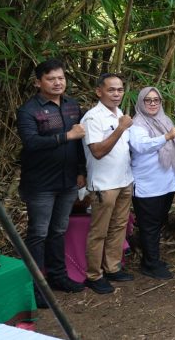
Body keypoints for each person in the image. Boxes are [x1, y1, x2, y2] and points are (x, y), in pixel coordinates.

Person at [17, 59, 87, 306]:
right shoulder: (29, 110)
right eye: (51, 79)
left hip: (68, 180)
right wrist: (67, 135)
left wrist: (81, 171)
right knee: (38, 233)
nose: (58, 83)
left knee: (58, 230)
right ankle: (37, 288)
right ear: (38, 82)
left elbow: (80, 143)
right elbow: (31, 143)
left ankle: (58, 277)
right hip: (41, 183)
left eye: (61, 78)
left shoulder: (72, 105)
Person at [81, 73, 135, 294]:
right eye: (111, 90)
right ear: (99, 91)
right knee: (99, 231)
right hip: (104, 184)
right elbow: (97, 151)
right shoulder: (93, 118)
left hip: (124, 180)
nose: (116, 94)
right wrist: (121, 128)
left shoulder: (119, 113)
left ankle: (112, 267)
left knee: (119, 226)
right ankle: (94, 275)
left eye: (120, 90)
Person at [129, 87, 175, 281]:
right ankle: (150, 264)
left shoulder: (164, 120)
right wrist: (166, 137)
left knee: (157, 223)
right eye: (148, 100)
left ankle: (152, 259)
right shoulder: (137, 123)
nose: (152, 103)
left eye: (156, 100)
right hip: (147, 184)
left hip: (166, 183)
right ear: (141, 102)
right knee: (149, 225)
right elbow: (140, 146)